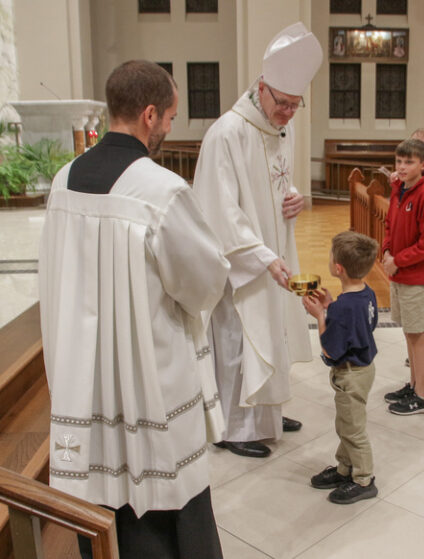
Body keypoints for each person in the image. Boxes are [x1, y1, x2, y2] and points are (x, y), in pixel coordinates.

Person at [39, 60, 229, 559]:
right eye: (169, 116)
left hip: (85, 381)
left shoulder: (63, 182)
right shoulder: (160, 191)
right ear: (149, 114)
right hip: (149, 385)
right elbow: (204, 281)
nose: (169, 127)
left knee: (101, 501)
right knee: (164, 506)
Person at [192, 22, 323, 458]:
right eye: (282, 103)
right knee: (237, 338)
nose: (288, 113)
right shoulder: (227, 133)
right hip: (241, 262)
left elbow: (274, 186)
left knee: (275, 333)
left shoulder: (277, 130)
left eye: (295, 105)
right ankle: (233, 426)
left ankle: (265, 410)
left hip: (274, 254)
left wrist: (294, 199)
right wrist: (262, 256)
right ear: (262, 88)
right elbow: (219, 210)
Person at [303, 231, 380, 504]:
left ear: (338, 268)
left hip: (350, 373)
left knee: (352, 429)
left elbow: (330, 349)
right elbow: (360, 325)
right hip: (364, 369)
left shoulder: (343, 308)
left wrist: (320, 316)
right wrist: (331, 307)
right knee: (346, 422)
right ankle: (344, 468)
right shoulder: (365, 293)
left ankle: (363, 479)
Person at [381, 139, 424, 415]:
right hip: (400, 272)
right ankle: (413, 383)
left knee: (417, 334)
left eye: (409, 162)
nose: (402, 167)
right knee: (409, 331)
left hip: (418, 275)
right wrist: (385, 251)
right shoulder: (399, 190)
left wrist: (398, 261)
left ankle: (423, 395)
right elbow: (390, 225)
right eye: (399, 162)